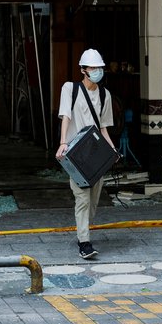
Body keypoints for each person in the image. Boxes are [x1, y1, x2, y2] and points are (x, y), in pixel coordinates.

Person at [55, 49, 116, 259]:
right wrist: (63, 142)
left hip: (96, 154)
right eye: (92, 68)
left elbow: (104, 127)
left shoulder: (104, 94)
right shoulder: (70, 89)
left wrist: (113, 150)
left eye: (99, 68)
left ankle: (84, 229)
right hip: (76, 152)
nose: (97, 71)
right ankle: (84, 242)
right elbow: (65, 116)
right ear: (83, 70)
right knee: (82, 198)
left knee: (94, 199)